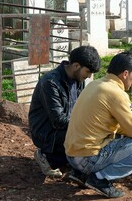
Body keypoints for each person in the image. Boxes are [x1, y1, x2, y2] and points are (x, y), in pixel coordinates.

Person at [64, 51, 132, 198]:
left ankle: (81, 174)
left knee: (118, 135)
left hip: (71, 156)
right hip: (87, 159)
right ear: (125, 74)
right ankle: (100, 179)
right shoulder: (116, 93)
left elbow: (119, 127)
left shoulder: (95, 84)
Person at [28, 45, 101, 177]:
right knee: (87, 134)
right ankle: (47, 157)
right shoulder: (50, 82)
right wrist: (87, 125)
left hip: (66, 126)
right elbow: (58, 120)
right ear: (76, 65)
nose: (89, 76)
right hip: (46, 131)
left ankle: (72, 160)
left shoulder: (78, 79)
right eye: (88, 71)